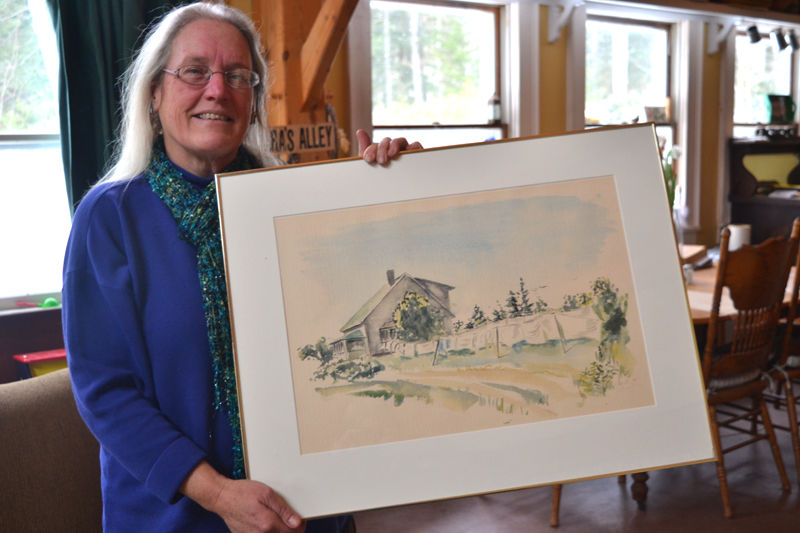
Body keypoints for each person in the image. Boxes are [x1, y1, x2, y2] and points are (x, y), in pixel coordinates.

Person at [61, 2, 421, 532]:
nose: (217, 89)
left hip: (307, 509)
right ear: (154, 93)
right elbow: (105, 391)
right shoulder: (110, 218)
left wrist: (403, 191)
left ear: (252, 103)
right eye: (194, 71)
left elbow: (367, 310)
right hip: (176, 517)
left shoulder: (298, 208)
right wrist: (219, 494)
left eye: (237, 76)